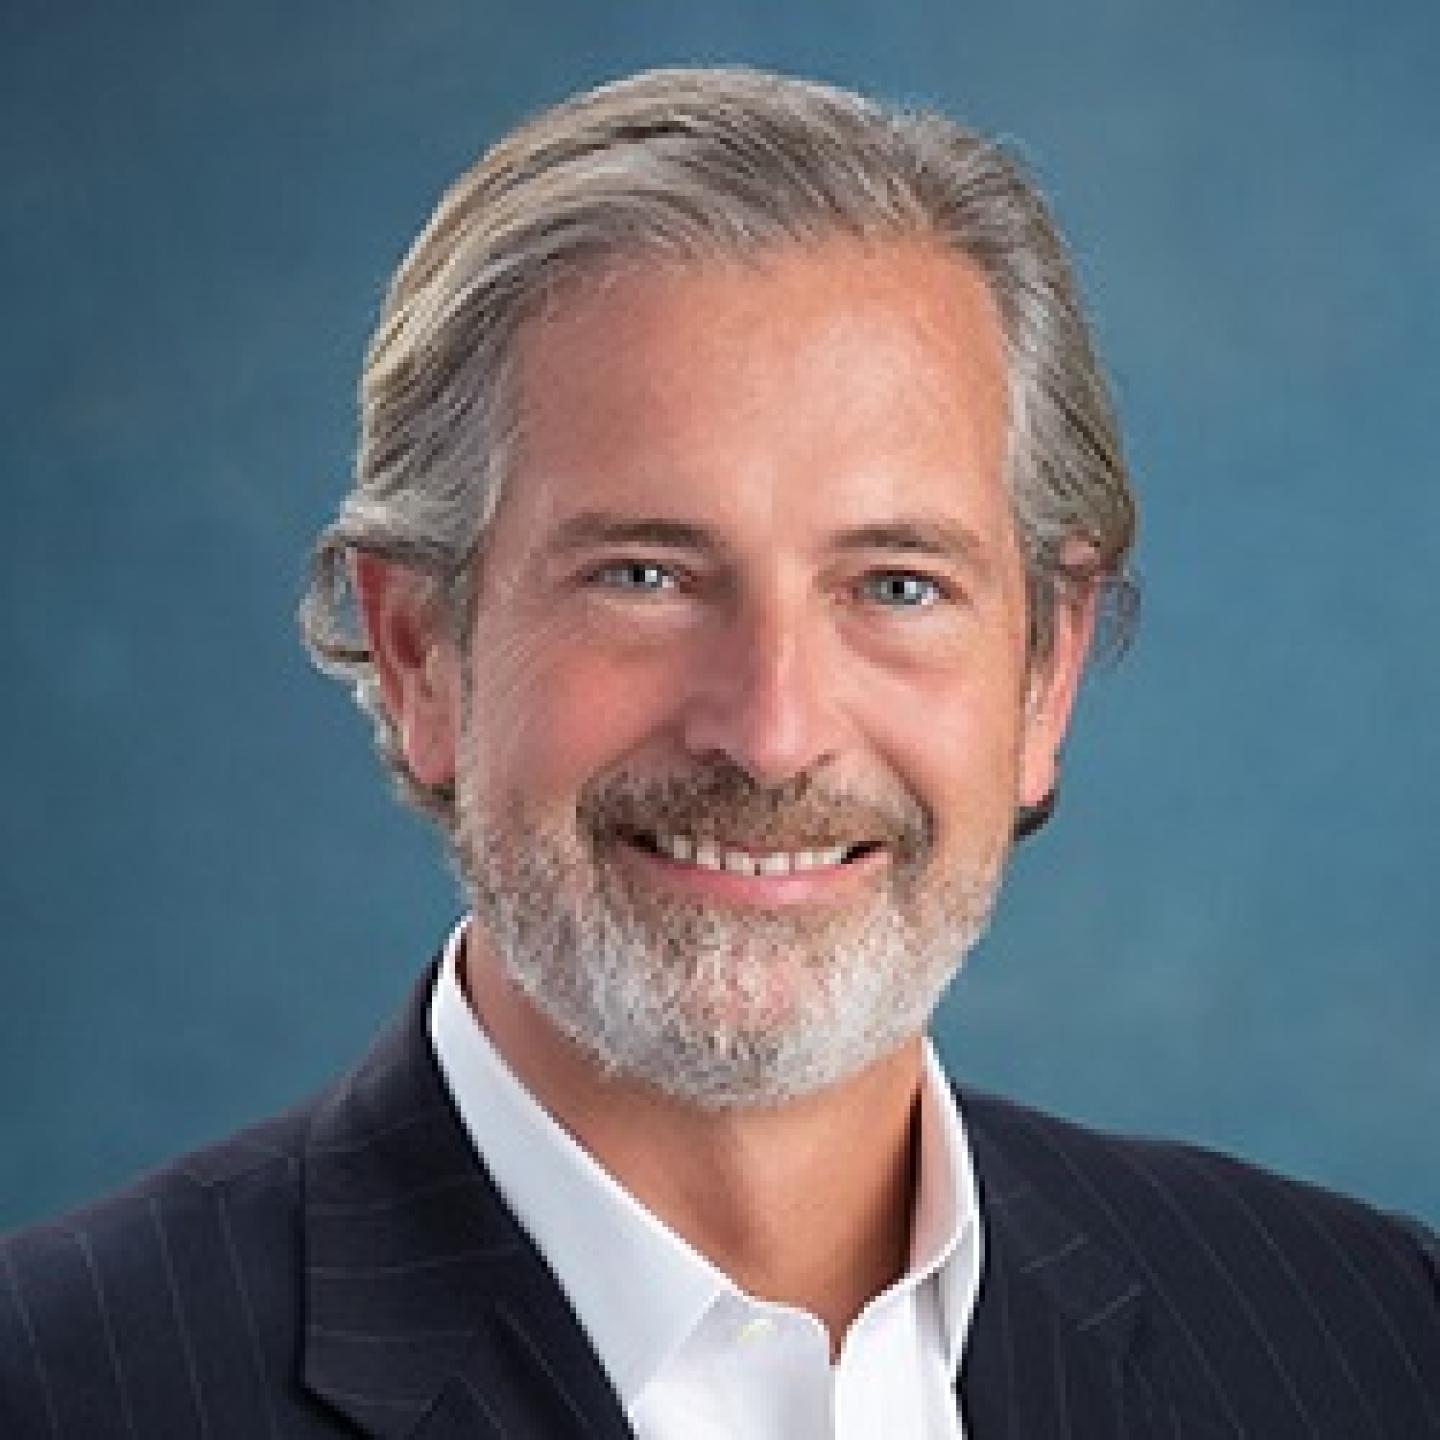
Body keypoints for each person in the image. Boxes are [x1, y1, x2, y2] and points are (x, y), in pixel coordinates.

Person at [2, 66, 1435, 1440]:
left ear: (1044, 678)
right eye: (645, 576)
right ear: (421, 654)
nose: (771, 733)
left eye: (896, 585)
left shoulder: (1369, 1339)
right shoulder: (59, 1385)